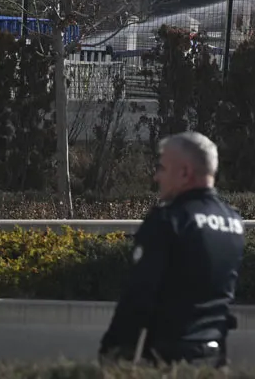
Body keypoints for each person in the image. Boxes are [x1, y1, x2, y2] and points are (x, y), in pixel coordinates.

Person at [98, 131, 245, 368]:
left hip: (169, 360)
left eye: (162, 168)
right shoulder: (233, 222)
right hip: (214, 358)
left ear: (185, 173)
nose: (156, 176)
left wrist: (111, 351)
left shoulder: (169, 220)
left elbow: (138, 296)